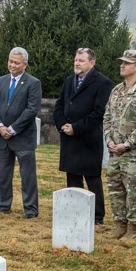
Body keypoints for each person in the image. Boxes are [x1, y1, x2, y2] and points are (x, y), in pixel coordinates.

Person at [102, 49, 136, 243]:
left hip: (135, 153)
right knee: (116, 189)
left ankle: (134, 229)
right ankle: (120, 225)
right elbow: (107, 116)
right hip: (115, 151)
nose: (122, 65)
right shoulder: (117, 90)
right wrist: (109, 139)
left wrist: (127, 145)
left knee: (135, 192)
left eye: (127, 63)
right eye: (122, 62)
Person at [53, 47, 113, 224]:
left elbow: (98, 112)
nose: (77, 63)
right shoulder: (69, 80)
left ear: (91, 63)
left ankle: (97, 216)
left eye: (81, 61)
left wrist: (76, 128)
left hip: (88, 139)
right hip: (69, 138)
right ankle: (75, 212)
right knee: (72, 177)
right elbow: (59, 105)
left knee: (92, 179)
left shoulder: (102, 82)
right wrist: (62, 124)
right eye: (76, 60)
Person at [0, 47, 42, 218]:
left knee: (27, 176)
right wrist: (0, 127)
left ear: (25, 64)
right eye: (10, 61)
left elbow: (31, 110)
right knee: (3, 174)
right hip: (2, 137)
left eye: (16, 63)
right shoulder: (1, 81)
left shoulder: (33, 83)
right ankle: (3, 205)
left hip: (23, 138)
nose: (12, 65)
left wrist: (12, 129)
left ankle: (30, 209)